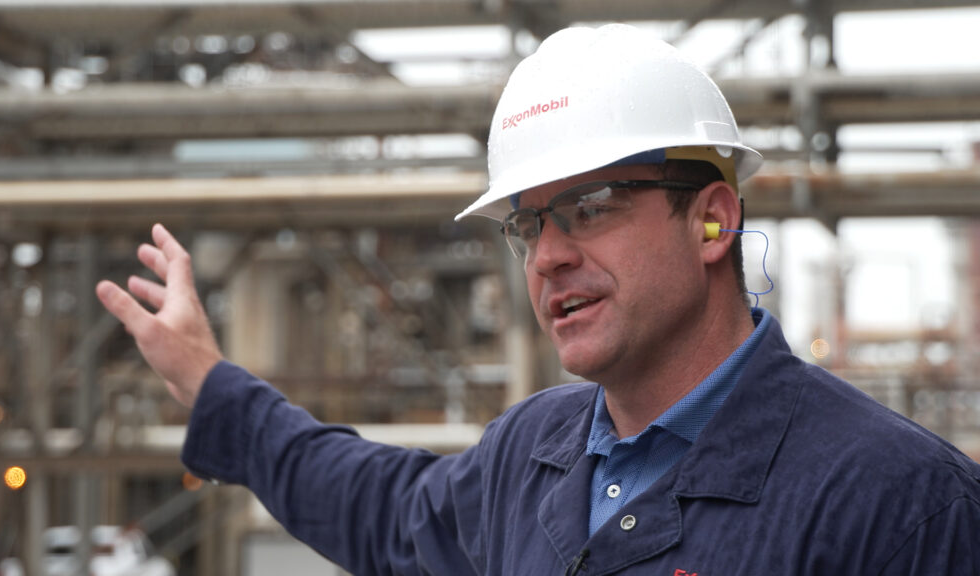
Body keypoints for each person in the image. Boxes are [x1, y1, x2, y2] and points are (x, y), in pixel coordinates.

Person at [96, 24, 980, 575]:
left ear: (711, 222)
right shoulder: (533, 456)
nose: (550, 255)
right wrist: (212, 385)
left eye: (589, 208)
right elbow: (378, 507)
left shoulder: (898, 505)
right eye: (528, 225)